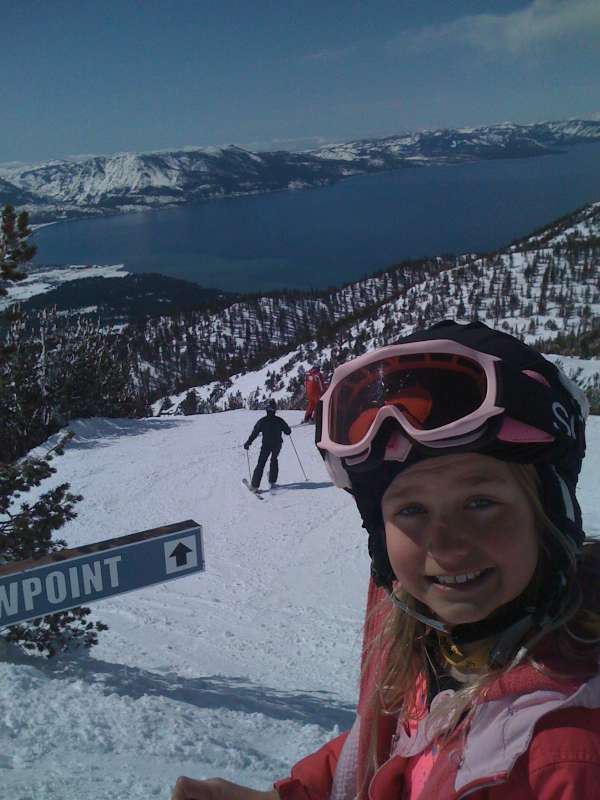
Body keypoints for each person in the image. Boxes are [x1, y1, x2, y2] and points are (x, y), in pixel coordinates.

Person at [173, 321, 600, 800]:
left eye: (480, 502)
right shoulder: (432, 647)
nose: (445, 544)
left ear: (550, 514)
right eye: (411, 510)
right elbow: (396, 749)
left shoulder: (565, 762)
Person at [243, 399, 291, 491]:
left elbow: (254, 433)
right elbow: (288, 431)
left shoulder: (262, 421)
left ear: (267, 409)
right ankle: (272, 480)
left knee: (261, 463)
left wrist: (248, 443)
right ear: (275, 409)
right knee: (274, 460)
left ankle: (254, 486)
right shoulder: (279, 420)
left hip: (266, 446)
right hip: (277, 445)